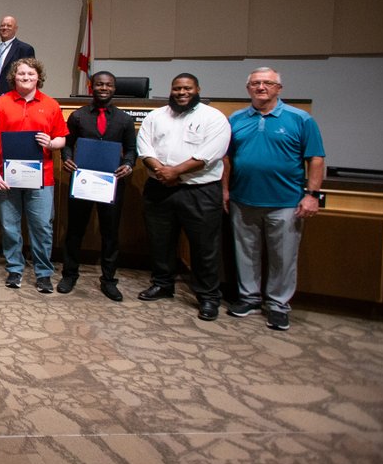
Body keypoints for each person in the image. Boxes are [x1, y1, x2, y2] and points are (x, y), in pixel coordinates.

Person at [223, 68, 325, 331]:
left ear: (279, 88)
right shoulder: (236, 119)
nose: (261, 87)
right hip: (243, 199)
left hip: (285, 202)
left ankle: (278, 305)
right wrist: (225, 190)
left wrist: (312, 195)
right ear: (248, 89)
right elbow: (227, 159)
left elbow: (315, 158)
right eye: (255, 83)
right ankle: (249, 298)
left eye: (267, 83)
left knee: (283, 257)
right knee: (246, 253)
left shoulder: (300, 119)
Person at [135, 73, 231, 321]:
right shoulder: (156, 116)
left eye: (187, 88)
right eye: (177, 88)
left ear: (197, 89)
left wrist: (175, 172)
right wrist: (162, 172)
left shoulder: (213, 118)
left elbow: (211, 153)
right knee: (160, 241)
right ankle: (163, 284)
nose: (181, 92)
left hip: (199, 191)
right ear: (171, 89)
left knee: (204, 246)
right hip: (159, 187)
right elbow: (144, 147)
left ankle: (208, 297)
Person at [0, 58, 68, 293]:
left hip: (42, 178)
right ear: (14, 77)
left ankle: (43, 273)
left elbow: (62, 138)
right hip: (7, 176)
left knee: (41, 226)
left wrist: (51, 143)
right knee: (10, 226)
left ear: (38, 77)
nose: (26, 77)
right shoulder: (1, 103)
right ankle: (14, 269)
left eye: (30, 74)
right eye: (21, 74)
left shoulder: (51, 105)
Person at [59, 71, 137, 301]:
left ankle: (109, 280)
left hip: (111, 182)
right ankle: (69, 275)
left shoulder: (124, 119)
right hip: (82, 181)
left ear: (114, 88)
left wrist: (129, 164)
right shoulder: (78, 116)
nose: (104, 88)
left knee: (110, 233)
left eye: (109, 85)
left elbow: (131, 149)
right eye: (100, 84)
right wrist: (66, 158)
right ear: (92, 87)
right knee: (74, 230)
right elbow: (68, 143)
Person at [0, 16, 35, 96]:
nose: (5, 28)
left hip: (12, 99)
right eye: (2, 25)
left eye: (9, 26)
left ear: (15, 29)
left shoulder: (24, 49)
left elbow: (29, 77)